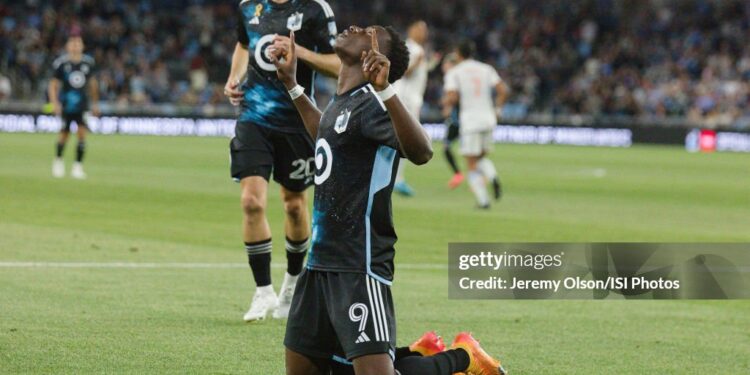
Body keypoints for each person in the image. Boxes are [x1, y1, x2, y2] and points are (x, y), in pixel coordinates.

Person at [271, 25, 503, 375]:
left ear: (374, 56)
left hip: (357, 265)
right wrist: (292, 85)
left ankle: (462, 358)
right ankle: (416, 353)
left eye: (368, 31)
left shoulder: (372, 103)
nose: (354, 27)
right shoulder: (342, 102)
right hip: (318, 265)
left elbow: (422, 151)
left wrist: (386, 90)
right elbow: (325, 134)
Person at [224, 0, 341, 322]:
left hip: (297, 121)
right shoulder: (249, 7)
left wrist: (298, 52)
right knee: (251, 202)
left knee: (293, 204)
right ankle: (263, 291)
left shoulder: (316, 9)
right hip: (253, 120)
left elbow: (338, 65)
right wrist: (234, 77)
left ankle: (291, 285)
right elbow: (244, 44)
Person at [443, 41, 507, 209]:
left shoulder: (454, 72)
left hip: (470, 121)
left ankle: (483, 200)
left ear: (458, 53)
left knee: (471, 163)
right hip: (488, 118)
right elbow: (502, 90)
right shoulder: (486, 69)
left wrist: (447, 101)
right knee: (480, 158)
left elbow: (453, 98)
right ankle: (491, 176)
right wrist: (498, 110)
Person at [49, 35, 99, 179]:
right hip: (66, 105)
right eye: (73, 43)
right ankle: (58, 161)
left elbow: (93, 84)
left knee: (82, 134)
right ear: (68, 46)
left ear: (82, 46)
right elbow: (53, 85)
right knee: (64, 134)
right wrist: (54, 103)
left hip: (82, 105)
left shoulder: (88, 63)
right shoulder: (61, 63)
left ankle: (78, 167)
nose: (76, 46)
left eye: (78, 43)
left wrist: (95, 104)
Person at [391, 20, 430, 197]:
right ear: (411, 30)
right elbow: (402, 71)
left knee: (401, 141)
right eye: (420, 28)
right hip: (405, 99)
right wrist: (418, 62)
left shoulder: (416, 48)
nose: (423, 32)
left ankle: (396, 178)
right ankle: (397, 180)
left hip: (410, 99)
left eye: (425, 29)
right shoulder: (411, 48)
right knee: (406, 141)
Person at [440, 52, 464, 189]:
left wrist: (447, 104)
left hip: (458, 120)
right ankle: (479, 177)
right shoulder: (459, 77)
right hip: (464, 119)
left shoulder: (452, 77)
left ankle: (458, 174)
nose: (444, 66)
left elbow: (454, 97)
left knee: (447, 147)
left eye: (446, 64)